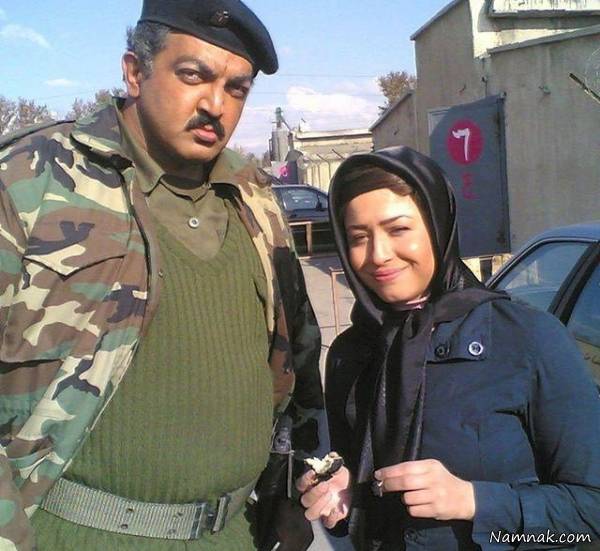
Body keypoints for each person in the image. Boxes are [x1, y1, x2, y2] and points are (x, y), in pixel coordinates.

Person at [0, 1, 324, 550]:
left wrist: (290, 490)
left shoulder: (256, 197)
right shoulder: (31, 178)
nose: (215, 105)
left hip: (235, 533)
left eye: (236, 88)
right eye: (193, 75)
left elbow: (297, 363)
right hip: (74, 535)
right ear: (135, 71)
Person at [297, 146, 600, 550]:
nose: (378, 255)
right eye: (358, 238)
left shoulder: (527, 339)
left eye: (398, 229)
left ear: (438, 226)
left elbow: (591, 513)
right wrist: (345, 498)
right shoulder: (350, 354)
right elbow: (361, 491)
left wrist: (475, 501)